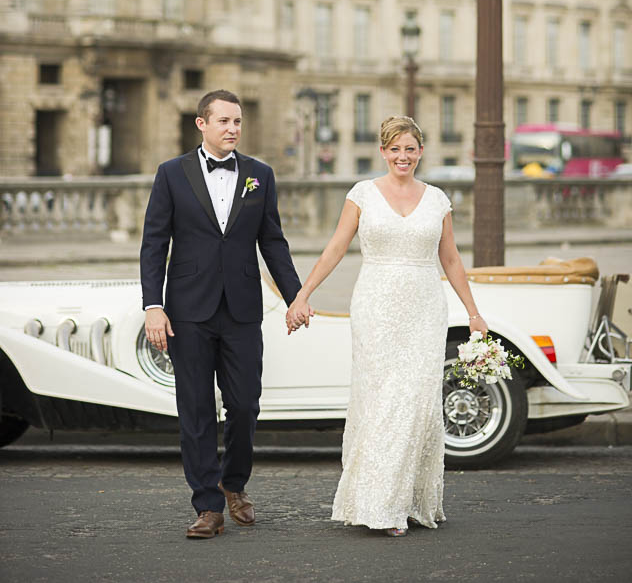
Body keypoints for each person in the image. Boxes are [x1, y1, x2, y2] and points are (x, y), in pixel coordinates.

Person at [286, 116, 488, 536]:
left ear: (420, 152)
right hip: (376, 306)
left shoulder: (437, 200)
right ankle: (379, 503)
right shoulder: (362, 194)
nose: (403, 156)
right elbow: (336, 248)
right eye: (395, 149)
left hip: (424, 308)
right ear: (383, 152)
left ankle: (410, 500)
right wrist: (303, 295)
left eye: (410, 149)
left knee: (416, 402)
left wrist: (473, 312)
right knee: (381, 402)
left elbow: (450, 259)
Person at [140, 90, 309, 539]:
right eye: (224, 121)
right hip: (187, 312)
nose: (233, 128)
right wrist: (152, 305)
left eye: (238, 122)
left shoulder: (260, 175)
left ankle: (233, 484)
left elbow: (272, 241)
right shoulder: (171, 174)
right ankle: (207, 506)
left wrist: (296, 295)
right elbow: (154, 244)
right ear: (202, 124)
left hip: (241, 309)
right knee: (194, 408)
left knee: (244, 405)